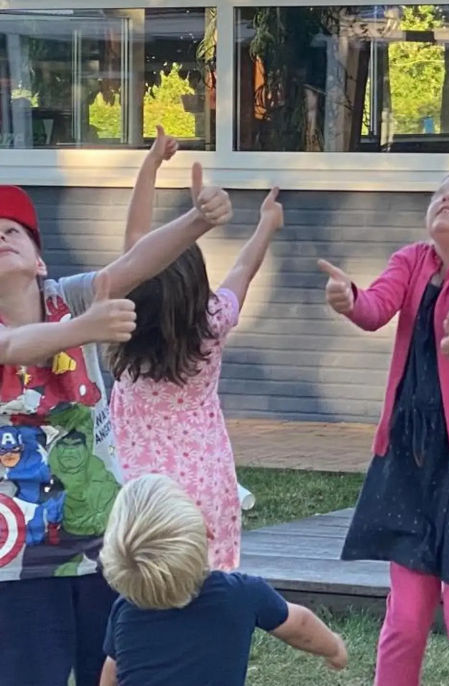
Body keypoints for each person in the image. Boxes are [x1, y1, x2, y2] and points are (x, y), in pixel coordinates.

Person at [0, 171, 233, 686]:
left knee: (113, 672)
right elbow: (13, 348)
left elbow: (134, 264)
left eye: (13, 229)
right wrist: (86, 330)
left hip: (104, 542)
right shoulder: (78, 317)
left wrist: (196, 220)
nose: (1, 234)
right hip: (16, 559)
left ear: (40, 261)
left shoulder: (72, 296)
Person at [318, 169, 449, 686]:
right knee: (405, 622)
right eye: (439, 193)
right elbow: (376, 307)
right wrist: (349, 298)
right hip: (410, 462)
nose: (447, 198)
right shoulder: (411, 260)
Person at [111, 128, 285, 570]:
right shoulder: (212, 322)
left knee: (142, 581)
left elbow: (136, 244)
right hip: (205, 480)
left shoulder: (119, 324)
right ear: (197, 287)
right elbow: (244, 268)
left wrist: (151, 163)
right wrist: (267, 222)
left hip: (136, 490)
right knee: (207, 582)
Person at [99, 474, 346, 686]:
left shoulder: (126, 610)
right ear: (206, 532)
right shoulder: (241, 594)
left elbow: (112, 672)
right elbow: (299, 625)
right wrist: (333, 647)